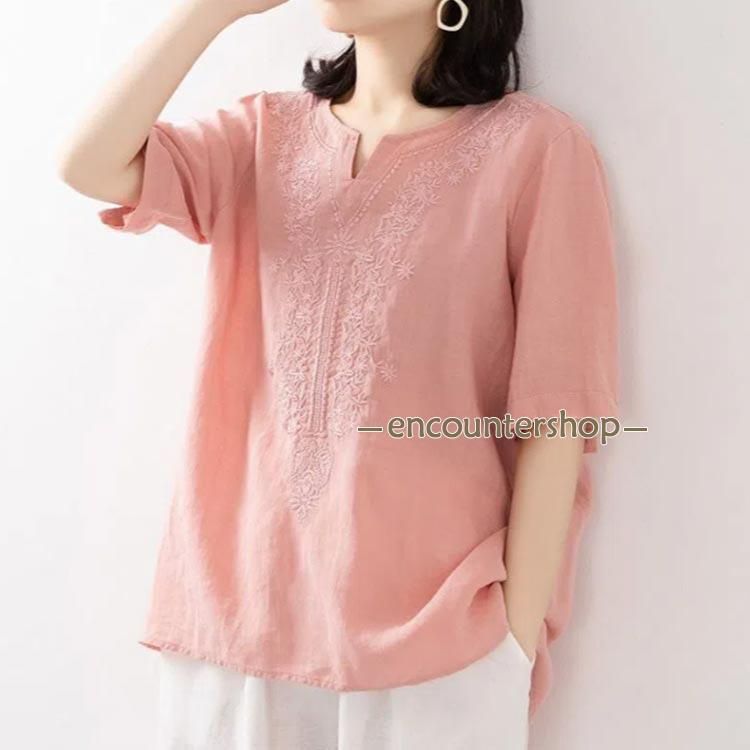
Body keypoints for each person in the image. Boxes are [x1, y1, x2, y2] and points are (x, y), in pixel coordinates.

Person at [58, 0, 619, 747]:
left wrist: (514, 638)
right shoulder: (262, 136)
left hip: (436, 645)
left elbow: (559, 412)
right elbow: (89, 164)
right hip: (237, 629)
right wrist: (211, 11)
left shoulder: (535, 151)